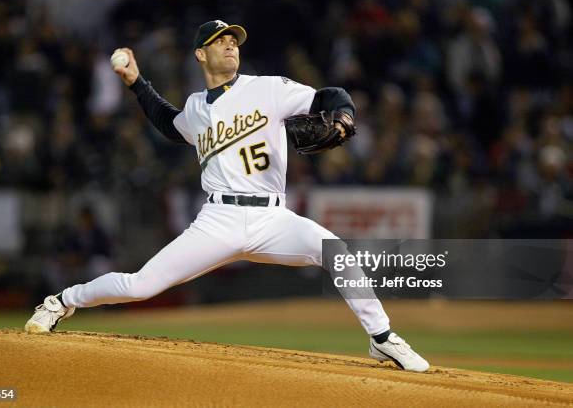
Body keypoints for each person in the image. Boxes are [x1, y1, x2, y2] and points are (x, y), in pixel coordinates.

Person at [25, 20, 429, 372]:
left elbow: (331, 94)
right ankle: (61, 302)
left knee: (336, 251)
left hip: (274, 219)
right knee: (138, 286)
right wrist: (135, 81)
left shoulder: (268, 89)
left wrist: (344, 115)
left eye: (234, 39)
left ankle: (382, 337)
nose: (231, 44)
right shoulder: (196, 107)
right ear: (201, 55)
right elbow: (169, 123)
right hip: (218, 221)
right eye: (220, 40)